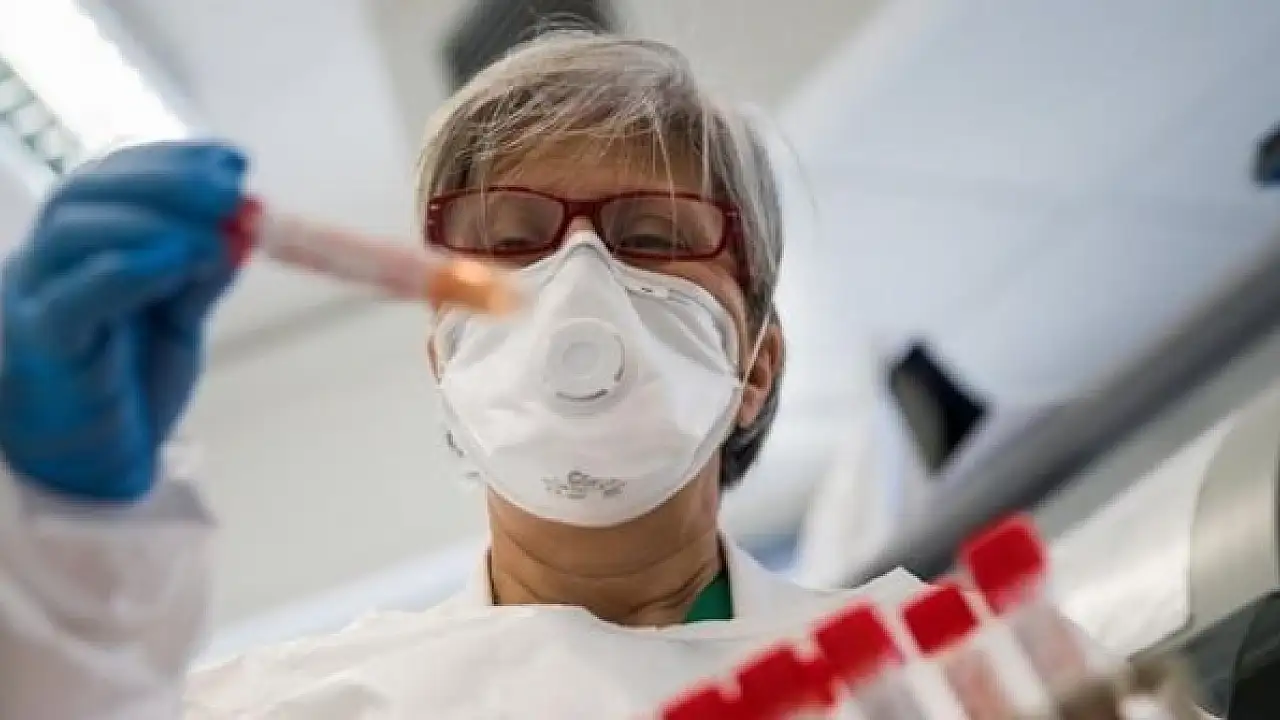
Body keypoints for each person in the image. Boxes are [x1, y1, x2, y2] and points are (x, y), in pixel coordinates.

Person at [0, 33, 1103, 718]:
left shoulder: (961, 668)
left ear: (756, 366)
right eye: (511, 237)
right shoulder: (291, 708)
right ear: (444, 354)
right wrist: (57, 536)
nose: (580, 285)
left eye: (652, 237)